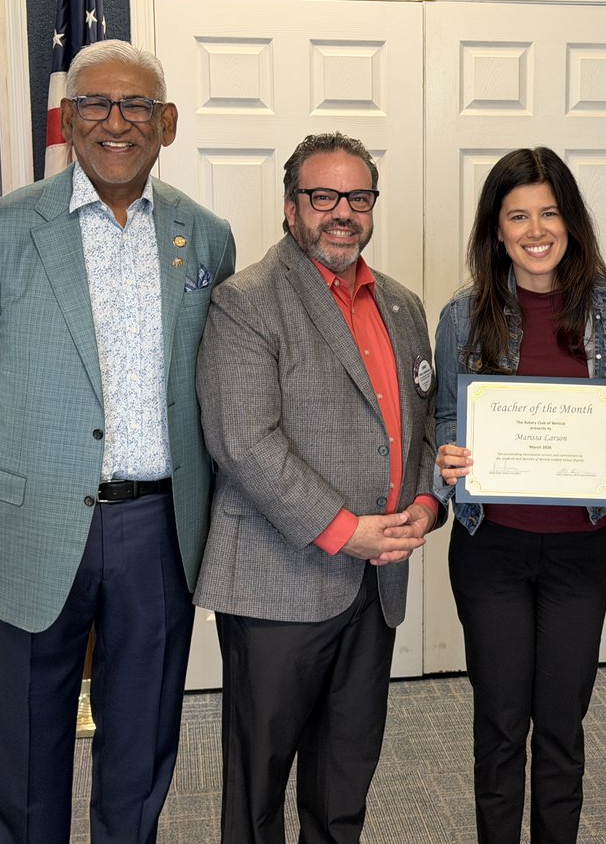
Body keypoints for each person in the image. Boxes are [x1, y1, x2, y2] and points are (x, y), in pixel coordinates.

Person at [0, 39, 235, 842]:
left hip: (161, 528)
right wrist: (20, 481)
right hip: (34, 524)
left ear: (165, 124)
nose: (116, 122)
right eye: (95, 104)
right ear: (68, 122)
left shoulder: (205, 237)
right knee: (29, 748)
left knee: (143, 739)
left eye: (137, 106)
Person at [193, 131, 441, 844]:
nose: (342, 211)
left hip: (376, 584)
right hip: (279, 582)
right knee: (259, 787)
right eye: (323, 195)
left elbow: (422, 425)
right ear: (290, 206)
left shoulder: (401, 304)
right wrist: (345, 530)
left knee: (344, 781)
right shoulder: (247, 301)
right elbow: (243, 441)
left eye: (357, 197)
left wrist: (423, 508)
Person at [432, 146, 606, 843]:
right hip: (490, 549)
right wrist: (449, 455)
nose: (534, 229)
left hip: (580, 553)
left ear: (572, 221)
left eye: (549, 212)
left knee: (561, 724)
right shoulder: (463, 315)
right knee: (499, 723)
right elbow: (443, 417)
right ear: (495, 229)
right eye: (517, 214)